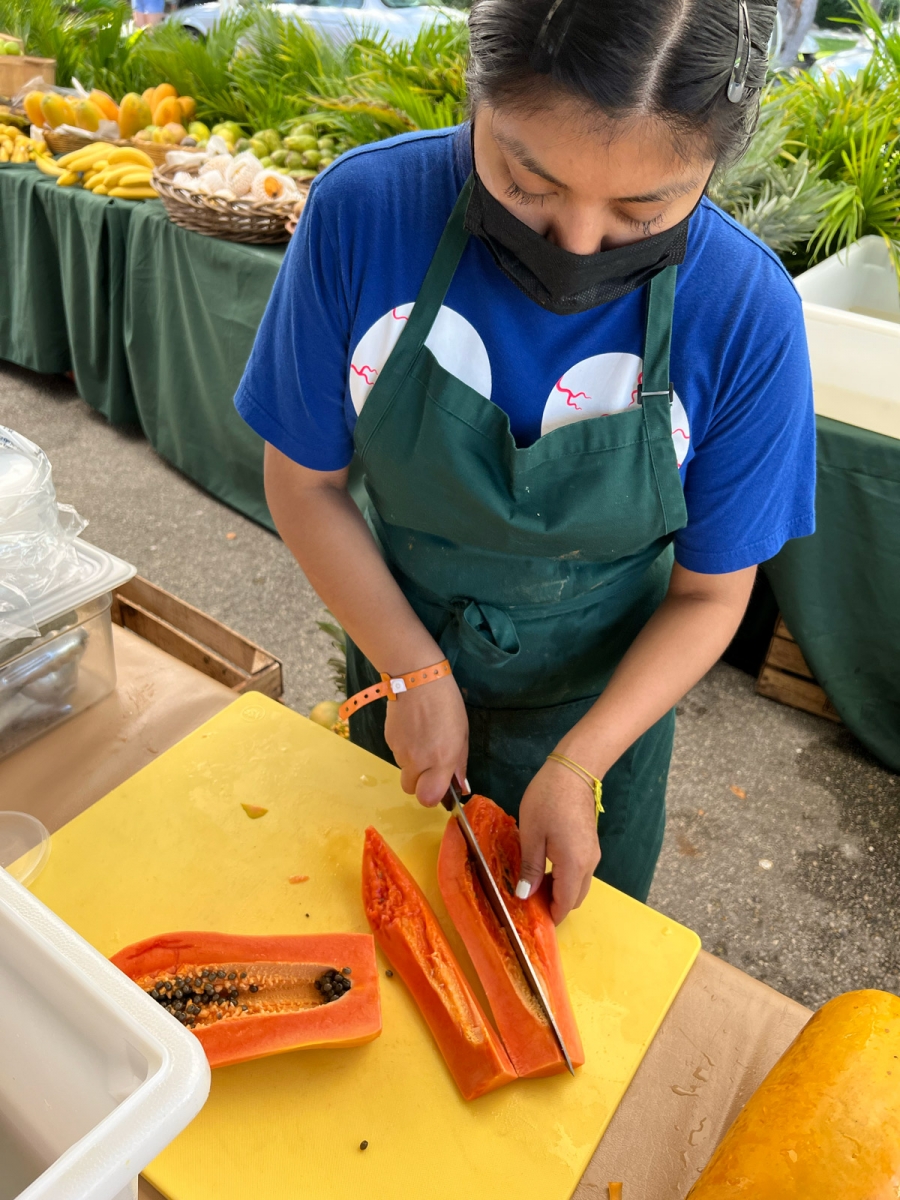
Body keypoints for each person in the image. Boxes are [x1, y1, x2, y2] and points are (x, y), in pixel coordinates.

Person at [236, 0, 815, 924]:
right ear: (477, 94)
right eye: (526, 180)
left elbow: (712, 595)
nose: (577, 246)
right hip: (395, 651)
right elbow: (304, 485)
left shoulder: (746, 312)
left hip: (604, 714)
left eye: (643, 208)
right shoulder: (367, 212)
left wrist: (584, 759)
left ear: (715, 160)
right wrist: (412, 669)